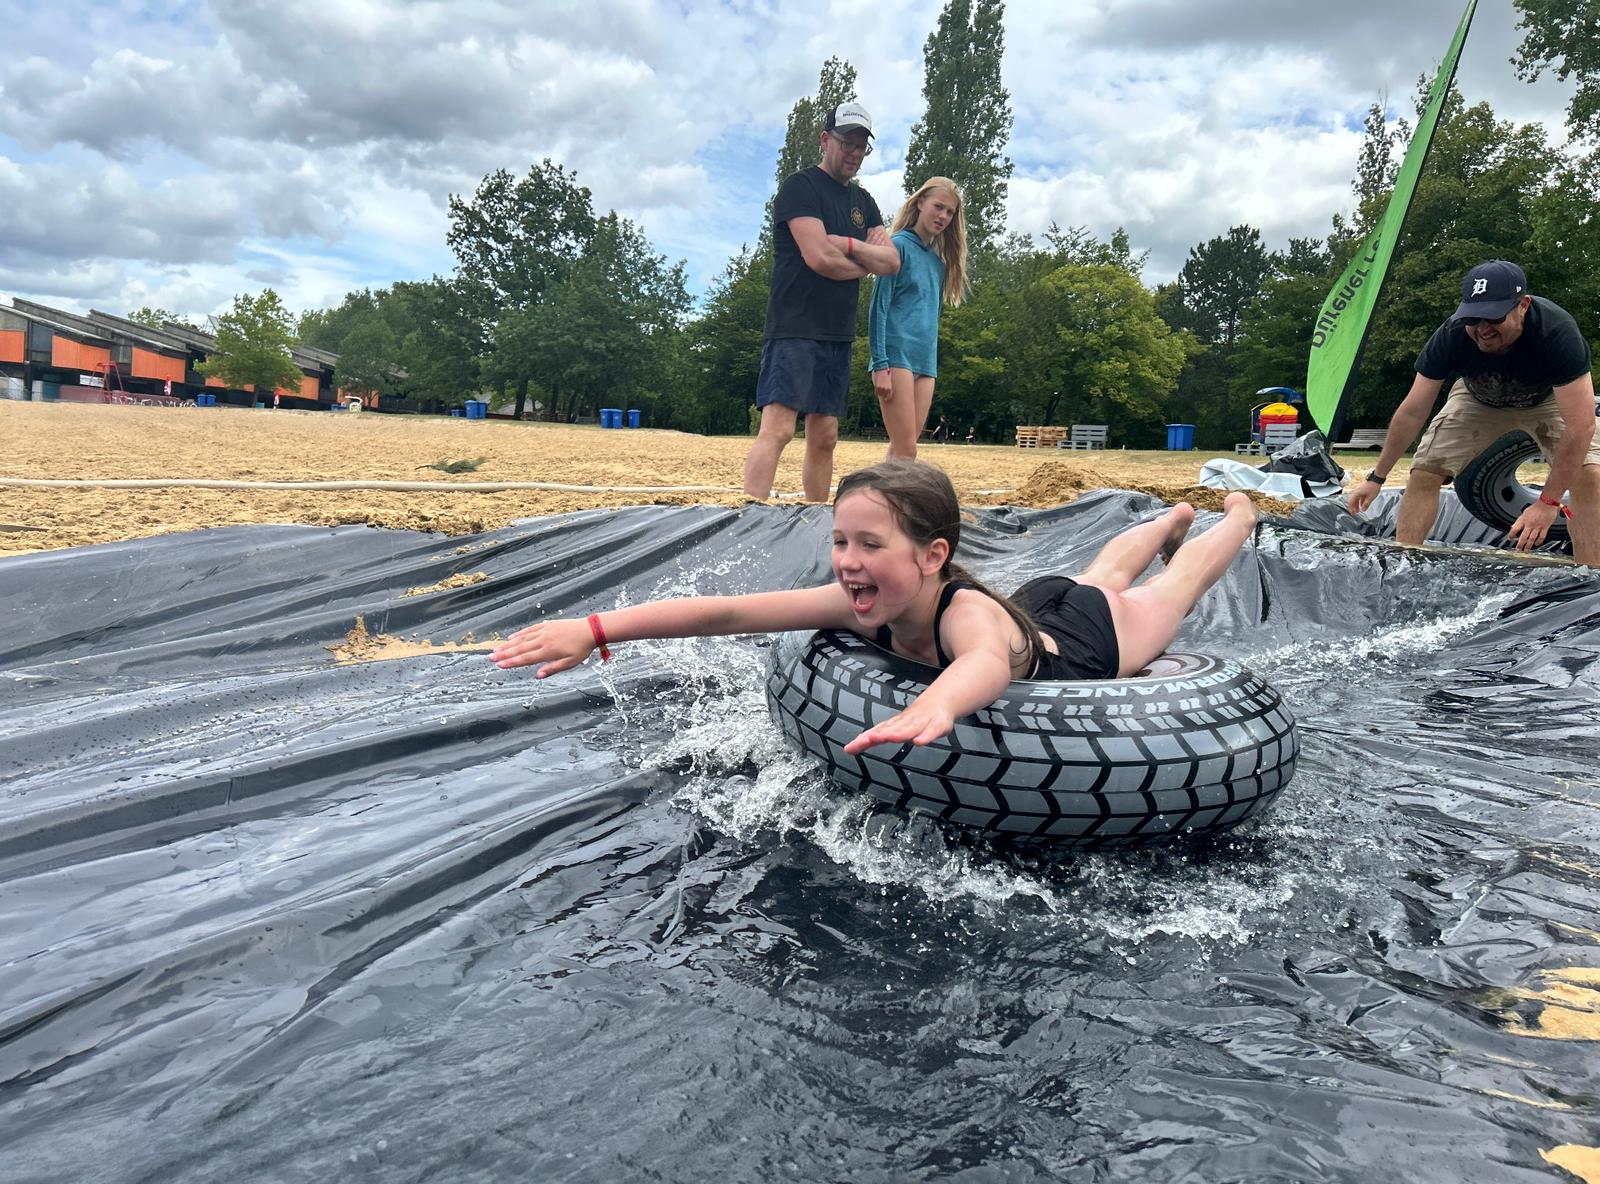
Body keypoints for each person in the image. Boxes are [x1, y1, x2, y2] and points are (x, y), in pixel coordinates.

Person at [491, 461, 1258, 753]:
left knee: (1162, 591)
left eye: (870, 544)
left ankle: (1233, 517)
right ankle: (1162, 518)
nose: (848, 562)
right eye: (841, 541)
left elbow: (987, 662)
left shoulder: (964, 616)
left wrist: (940, 707)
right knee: (1095, 575)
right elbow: (725, 614)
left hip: (1084, 646)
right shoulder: (863, 599)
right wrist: (593, 628)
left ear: (932, 556)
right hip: (1036, 607)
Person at [1347, 260, 1599, 564]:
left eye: (1493, 318)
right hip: (1478, 398)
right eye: (1473, 318)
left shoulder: (1556, 332)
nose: (1482, 330)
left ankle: (1590, 580)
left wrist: (1548, 502)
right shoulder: (1451, 335)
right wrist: (1377, 477)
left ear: (1523, 306)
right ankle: (1405, 564)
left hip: (1546, 400)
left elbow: (1581, 425)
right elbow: (1413, 410)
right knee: (1425, 470)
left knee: (1590, 474)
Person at [743, 102, 899, 502]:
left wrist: (847, 244)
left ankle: (815, 519)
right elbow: (818, 259)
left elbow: (892, 262)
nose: (854, 153)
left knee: (825, 435)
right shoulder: (801, 188)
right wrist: (865, 259)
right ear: (826, 140)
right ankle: (750, 517)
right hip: (794, 326)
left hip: (836, 332)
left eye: (862, 146)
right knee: (778, 429)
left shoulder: (864, 203)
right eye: (847, 142)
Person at [868, 177, 968, 460]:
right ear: (920, 202)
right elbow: (879, 308)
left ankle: (884, 502)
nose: (943, 216)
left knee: (904, 445)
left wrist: (931, 361)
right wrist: (880, 364)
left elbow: (932, 318)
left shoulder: (938, 265)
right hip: (896, 357)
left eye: (950, 212)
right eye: (938, 207)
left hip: (926, 362)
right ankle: (897, 504)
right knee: (907, 450)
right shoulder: (896, 246)